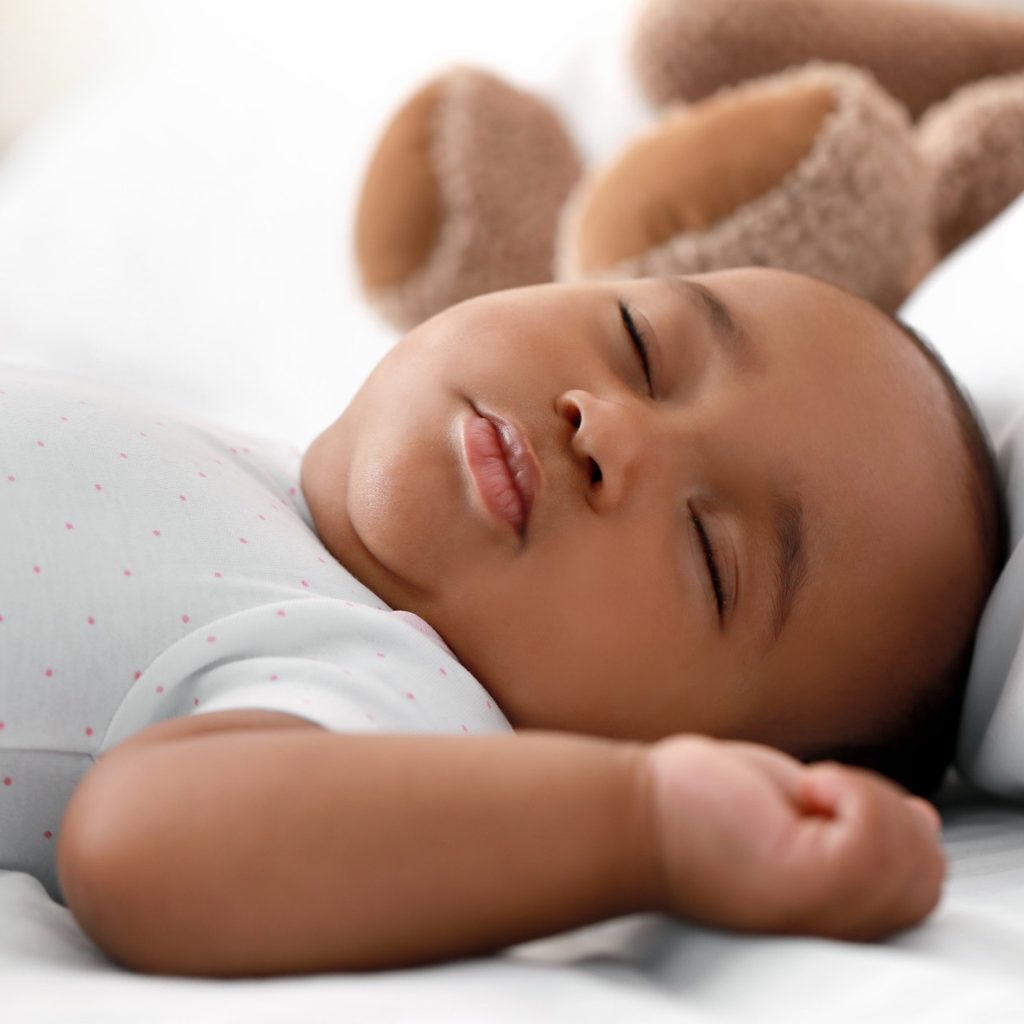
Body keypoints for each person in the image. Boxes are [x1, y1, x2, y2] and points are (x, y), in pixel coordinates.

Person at [0, 267, 1004, 978]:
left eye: (709, 553)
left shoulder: (394, 695)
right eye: (641, 343)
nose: (614, 426)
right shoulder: (253, 473)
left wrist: (644, 821)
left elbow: (145, 845)